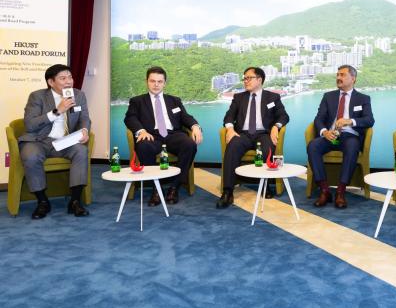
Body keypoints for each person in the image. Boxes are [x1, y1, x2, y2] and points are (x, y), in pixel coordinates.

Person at [18, 64, 91, 219]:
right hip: (38, 140)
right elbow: (30, 124)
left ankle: (75, 201)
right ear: (51, 82)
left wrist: (85, 130)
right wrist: (58, 110)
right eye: (63, 78)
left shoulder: (78, 95)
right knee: (31, 156)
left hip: (65, 141)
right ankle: (42, 201)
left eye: (70, 77)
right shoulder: (37, 96)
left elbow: (84, 118)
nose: (68, 81)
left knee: (81, 151)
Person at [124, 66, 203, 206]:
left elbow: (185, 116)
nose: (156, 84)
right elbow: (130, 118)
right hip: (151, 135)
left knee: (189, 144)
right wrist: (141, 131)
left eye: (160, 81)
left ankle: (174, 187)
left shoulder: (174, 100)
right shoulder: (137, 101)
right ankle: (156, 188)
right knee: (143, 146)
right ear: (146, 81)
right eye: (152, 81)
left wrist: (195, 126)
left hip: (173, 135)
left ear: (164, 83)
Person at [217, 67, 290, 209]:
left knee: (268, 146)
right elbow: (229, 116)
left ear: (259, 79)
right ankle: (227, 191)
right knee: (232, 146)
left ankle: (266, 185)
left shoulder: (272, 97)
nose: (245, 81)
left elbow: (283, 116)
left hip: (263, 134)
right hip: (242, 134)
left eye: (248, 78)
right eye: (244, 78)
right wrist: (230, 128)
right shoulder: (239, 97)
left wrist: (276, 126)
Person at [307, 65, 375, 209]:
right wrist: (325, 132)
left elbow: (369, 120)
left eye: (343, 75)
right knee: (313, 146)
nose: (338, 77)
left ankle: (340, 192)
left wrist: (350, 121)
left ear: (353, 78)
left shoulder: (363, 98)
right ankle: (324, 190)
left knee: (352, 146)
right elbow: (318, 119)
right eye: (337, 75)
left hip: (350, 135)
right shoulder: (328, 96)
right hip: (330, 135)